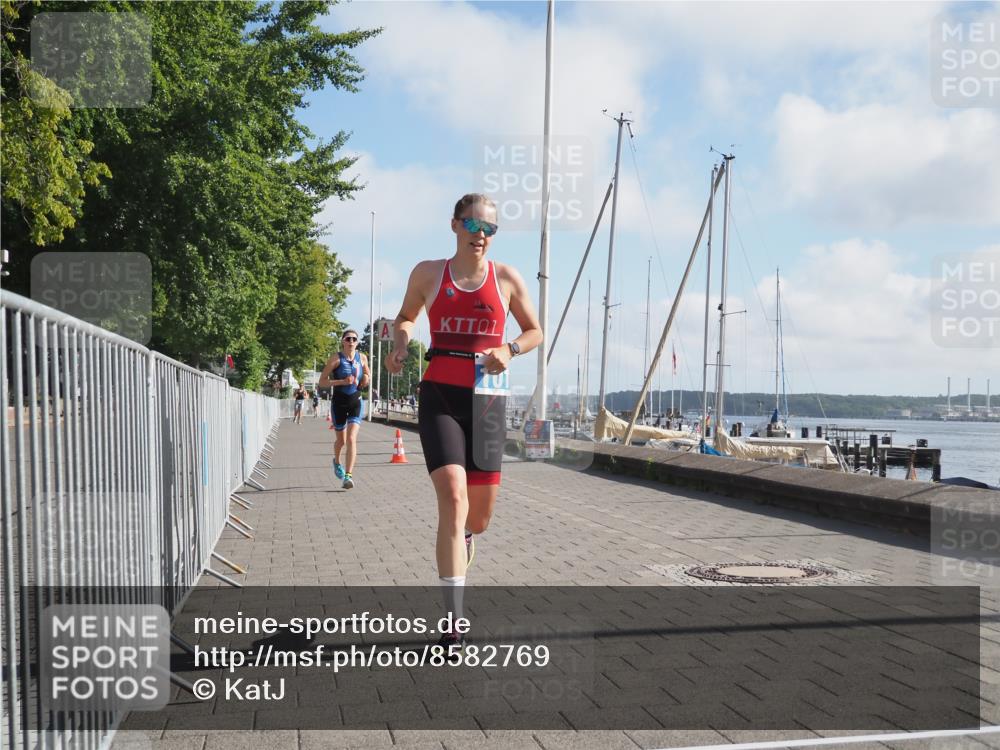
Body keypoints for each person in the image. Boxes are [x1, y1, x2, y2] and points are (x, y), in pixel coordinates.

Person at [386, 193, 542, 650]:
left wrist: (509, 350)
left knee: (479, 516)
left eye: (489, 229)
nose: (481, 235)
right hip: (439, 393)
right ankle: (453, 624)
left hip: (488, 402)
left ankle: (469, 537)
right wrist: (399, 345)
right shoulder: (429, 273)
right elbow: (405, 317)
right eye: (473, 226)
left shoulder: (507, 279)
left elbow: (535, 331)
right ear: (455, 225)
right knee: (452, 497)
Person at [318, 329, 370, 489]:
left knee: (351, 439)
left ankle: (348, 476)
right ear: (343, 341)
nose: (351, 341)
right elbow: (322, 382)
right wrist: (342, 381)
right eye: (348, 339)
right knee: (341, 440)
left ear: (357, 342)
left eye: (354, 339)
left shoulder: (362, 358)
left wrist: (365, 380)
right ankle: (336, 461)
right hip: (339, 403)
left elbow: (367, 373)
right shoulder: (336, 359)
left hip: (356, 401)